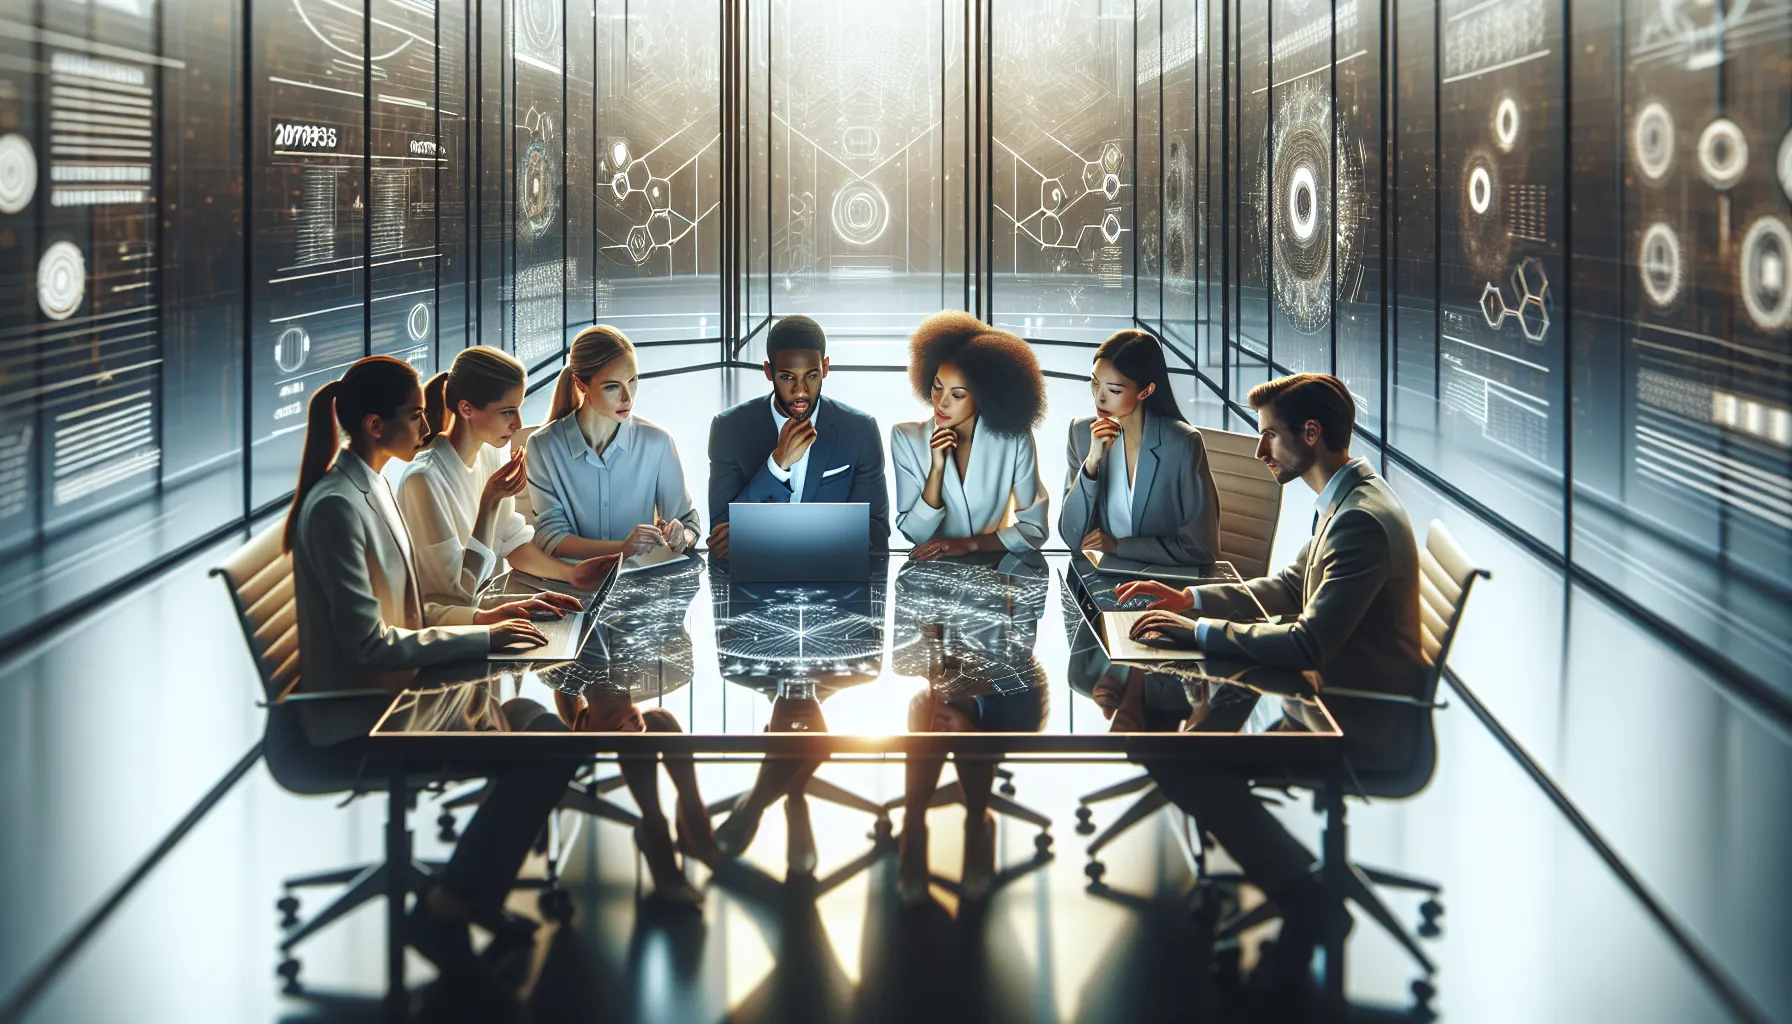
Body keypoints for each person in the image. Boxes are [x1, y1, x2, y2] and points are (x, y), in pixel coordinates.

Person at [1115, 373, 1426, 1005]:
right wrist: (1190, 599)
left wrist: (1199, 630)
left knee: (1179, 754)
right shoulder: (1349, 496)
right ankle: (1295, 883)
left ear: (1310, 434)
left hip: (1351, 719)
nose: (1261, 455)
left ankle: (1305, 899)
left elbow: (1310, 642)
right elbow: (1289, 586)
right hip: (1324, 693)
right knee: (1203, 723)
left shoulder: (1359, 522)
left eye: (1269, 438)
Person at [277, 355, 580, 975]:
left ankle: (464, 895)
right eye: (416, 416)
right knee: (545, 746)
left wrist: (491, 617)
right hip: (363, 716)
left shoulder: (374, 484)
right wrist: (482, 641)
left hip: (399, 689)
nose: (428, 424)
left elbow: (417, 612)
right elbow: (371, 647)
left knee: (537, 724)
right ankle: (448, 905)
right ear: (373, 425)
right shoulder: (340, 506)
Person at [397, 346, 616, 623]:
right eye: (507, 412)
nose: (518, 423)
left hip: (475, 614)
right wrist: (488, 502)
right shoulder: (423, 480)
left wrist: (572, 574)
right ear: (466, 408)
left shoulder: (491, 454)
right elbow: (457, 593)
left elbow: (513, 542)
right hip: (441, 635)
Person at [705, 315, 890, 557]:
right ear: (769, 371)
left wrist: (757, 532)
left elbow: (875, 536)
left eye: (811, 376)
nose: (800, 391)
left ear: (825, 368)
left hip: (832, 582)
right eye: (787, 377)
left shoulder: (860, 430)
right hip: (757, 581)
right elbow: (722, 537)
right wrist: (777, 464)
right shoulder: (728, 428)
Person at [525, 325, 701, 561]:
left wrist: (684, 536)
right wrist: (623, 549)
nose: (627, 397)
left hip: (641, 583)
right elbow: (551, 537)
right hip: (569, 582)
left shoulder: (658, 442)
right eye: (611, 386)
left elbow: (687, 522)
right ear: (580, 384)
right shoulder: (542, 446)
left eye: (633, 380)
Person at [890, 312, 1048, 560]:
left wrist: (971, 545)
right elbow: (914, 533)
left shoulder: (1013, 439)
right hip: (929, 574)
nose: (941, 403)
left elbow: (1035, 529)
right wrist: (937, 470)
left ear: (984, 395)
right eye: (937, 387)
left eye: (958, 395)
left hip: (992, 574)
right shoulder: (906, 437)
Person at [1059, 329, 1221, 566]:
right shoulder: (1082, 434)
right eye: (1095, 384)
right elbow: (1072, 538)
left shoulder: (1182, 444)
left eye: (1113, 390)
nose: (1099, 399)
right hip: (1101, 582)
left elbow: (1202, 548)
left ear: (1146, 390)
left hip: (1161, 584)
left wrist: (1119, 547)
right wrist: (1091, 464)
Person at [551, 687, 718, 905]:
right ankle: (668, 829)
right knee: (639, 733)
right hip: (581, 726)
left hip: (602, 713)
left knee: (659, 719)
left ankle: (687, 818)